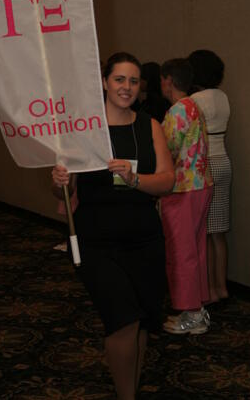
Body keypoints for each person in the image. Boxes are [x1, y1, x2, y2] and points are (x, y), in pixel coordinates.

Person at [52, 52, 174, 400]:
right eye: (119, 79)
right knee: (123, 318)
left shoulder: (149, 125)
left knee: (143, 320)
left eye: (134, 81)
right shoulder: (82, 128)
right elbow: (65, 188)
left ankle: (129, 390)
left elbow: (167, 181)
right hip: (97, 240)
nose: (127, 87)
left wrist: (135, 180)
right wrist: (58, 179)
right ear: (104, 82)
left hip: (145, 238)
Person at [160, 58, 213, 335]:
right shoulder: (194, 106)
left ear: (168, 80)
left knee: (181, 252)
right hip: (201, 182)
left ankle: (190, 312)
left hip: (182, 187)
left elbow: (166, 152)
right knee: (195, 249)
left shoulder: (177, 111)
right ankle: (197, 310)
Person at [189, 49, 231, 304]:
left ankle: (210, 291)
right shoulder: (223, 96)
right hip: (224, 160)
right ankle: (222, 288)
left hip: (205, 164)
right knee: (219, 231)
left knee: (203, 230)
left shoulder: (194, 100)